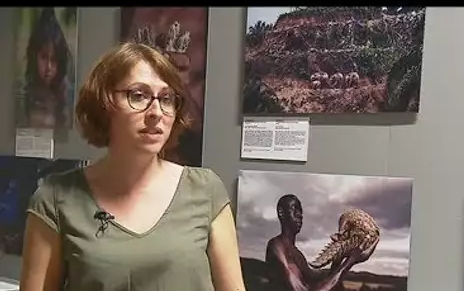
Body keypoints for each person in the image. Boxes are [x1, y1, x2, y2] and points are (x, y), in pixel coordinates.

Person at [19, 42, 246, 291]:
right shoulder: (55, 199)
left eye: (167, 98)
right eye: (138, 95)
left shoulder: (205, 190)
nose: (156, 112)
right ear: (103, 103)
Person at [265, 194, 378, 291]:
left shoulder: (297, 254)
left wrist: (341, 254)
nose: (300, 215)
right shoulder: (276, 246)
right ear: (281, 212)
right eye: (294, 209)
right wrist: (351, 260)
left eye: (301, 211)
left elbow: (322, 281)